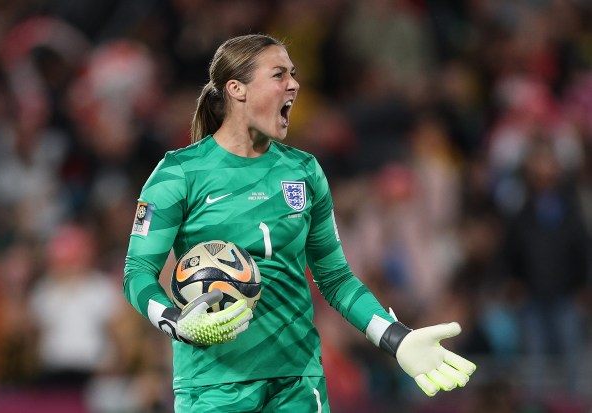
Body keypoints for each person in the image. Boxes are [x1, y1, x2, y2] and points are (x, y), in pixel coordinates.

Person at [123, 33, 476, 412]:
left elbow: (335, 279)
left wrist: (396, 337)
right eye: (279, 75)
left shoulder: (304, 172)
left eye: (293, 73)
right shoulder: (179, 173)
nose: (294, 84)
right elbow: (137, 271)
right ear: (237, 89)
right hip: (213, 385)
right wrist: (177, 322)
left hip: (297, 384)